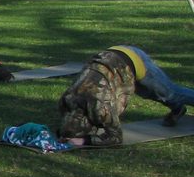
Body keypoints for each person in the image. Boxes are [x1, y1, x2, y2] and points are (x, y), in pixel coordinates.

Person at [57, 46, 194, 146]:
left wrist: (84, 140)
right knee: (151, 93)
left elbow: (115, 138)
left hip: (134, 59)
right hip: (113, 57)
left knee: (170, 93)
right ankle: (178, 109)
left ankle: (177, 106)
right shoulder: (66, 100)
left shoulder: (100, 108)